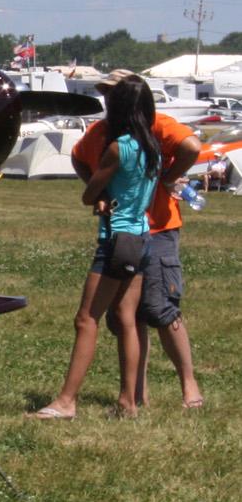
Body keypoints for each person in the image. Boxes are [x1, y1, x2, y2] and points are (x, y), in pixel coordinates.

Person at [70, 70, 203, 409]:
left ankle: (189, 385)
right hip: (133, 232)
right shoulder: (103, 134)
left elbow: (191, 145)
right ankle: (134, 395)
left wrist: (167, 179)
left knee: (159, 308)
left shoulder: (152, 129)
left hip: (156, 229)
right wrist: (99, 189)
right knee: (127, 316)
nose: (106, 99)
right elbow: (77, 156)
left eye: (112, 93)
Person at [35, 73, 160, 419]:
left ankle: (66, 401)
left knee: (87, 319)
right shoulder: (152, 147)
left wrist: (100, 195)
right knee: (126, 318)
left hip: (114, 241)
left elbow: (88, 193)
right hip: (141, 239)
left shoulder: (118, 148)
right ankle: (128, 402)